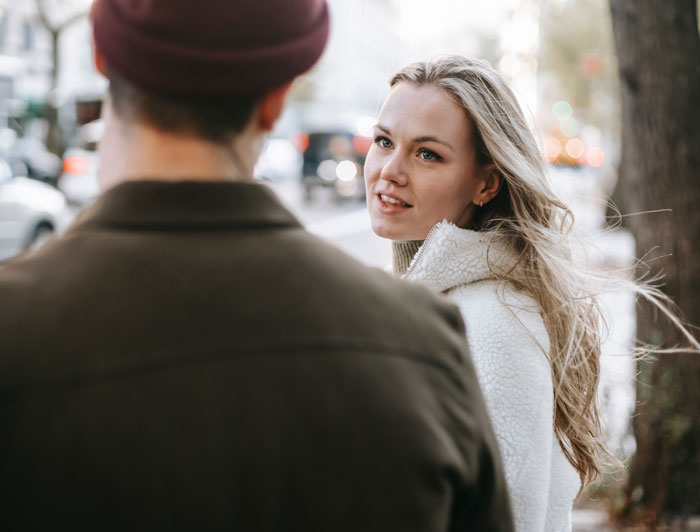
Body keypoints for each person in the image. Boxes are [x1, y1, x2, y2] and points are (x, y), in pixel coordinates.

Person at [0, 3, 514, 531]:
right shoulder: (424, 342)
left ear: (101, 56)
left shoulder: (13, 327)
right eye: (383, 142)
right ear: (275, 101)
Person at [364, 55, 605, 531]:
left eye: (427, 153)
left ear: (486, 183)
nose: (390, 170)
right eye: (384, 141)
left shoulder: (494, 322)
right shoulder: (448, 305)